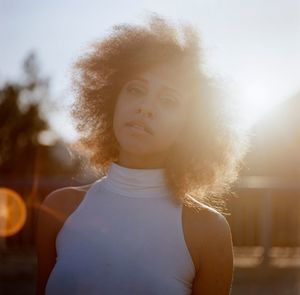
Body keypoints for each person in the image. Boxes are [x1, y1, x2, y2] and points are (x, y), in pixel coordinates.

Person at [36, 14, 247, 295]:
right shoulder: (59, 209)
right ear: (112, 100)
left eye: (168, 100)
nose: (145, 107)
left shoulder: (208, 232)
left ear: (191, 126)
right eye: (135, 90)